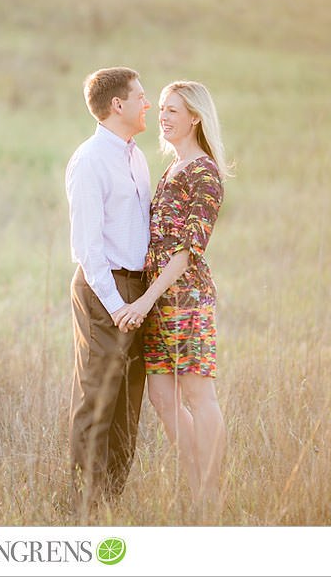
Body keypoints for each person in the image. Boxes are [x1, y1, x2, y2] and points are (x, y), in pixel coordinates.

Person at [113, 80, 230, 510]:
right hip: (157, 300)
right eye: (161, 108)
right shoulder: (171, 169)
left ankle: (209, 494)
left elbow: (188, 248)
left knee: (200, 396)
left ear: (195, 118)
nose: (162, 117)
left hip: (185, 300)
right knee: (162, 397)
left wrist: (145, 300)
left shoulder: (204, 172)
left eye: (173, 111)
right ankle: (195, 479)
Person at [65, 66, 152, 513]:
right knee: (97, 398)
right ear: (117, 105)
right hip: (105, 290)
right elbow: (87, 248)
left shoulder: (137, 156)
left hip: (138, 289)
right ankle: (84, 507)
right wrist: (117, 305)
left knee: (128, 400)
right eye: (140, 95)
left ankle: (111, 504)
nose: (148, 104)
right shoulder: (90, 160)